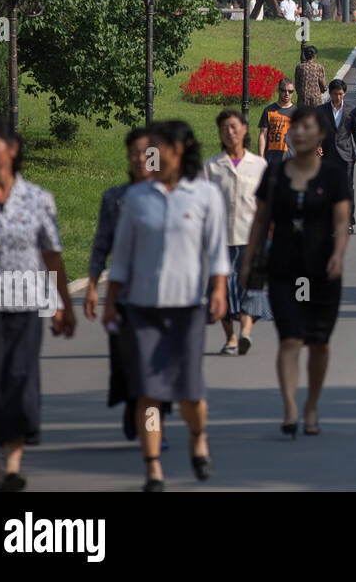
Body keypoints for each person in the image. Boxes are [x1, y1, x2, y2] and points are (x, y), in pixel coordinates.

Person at [105, 120, 229, 492]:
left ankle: (197, 437)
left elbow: (217, 251)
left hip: (187, 307)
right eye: (148, 150)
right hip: (142, 309)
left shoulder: (204, 195)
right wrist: (111, 301)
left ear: (181, 150)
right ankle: (153, 466)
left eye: (158, 149)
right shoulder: (137, 199)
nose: (150, 157)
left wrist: (219, 290)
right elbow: (122, 258)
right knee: (150, 393)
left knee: (190, 393)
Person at [0, 116, 76, 492]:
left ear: (12, 149)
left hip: (22, 307)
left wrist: (63, 305)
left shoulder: (38, 200)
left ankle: (12, 466)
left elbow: (52, 255)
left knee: (18, 382)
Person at [243, 106, 349, 437]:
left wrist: (339, 254)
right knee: (289, 338)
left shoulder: (333, 175)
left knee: (319, 343)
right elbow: (260, 220)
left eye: (308, 127)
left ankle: (311, 406)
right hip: (284, 268)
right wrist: (248, 260)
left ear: (320, 135)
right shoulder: (274, 174)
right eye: (296, 127)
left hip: (322, 270)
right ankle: (290, 407)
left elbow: (342, 219)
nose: (299, 132)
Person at [86, 126, 155, 440]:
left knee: (157, 368)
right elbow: (102, 245)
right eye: (135, 154)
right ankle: (131, 405)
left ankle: (155, 428)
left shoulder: (170, 198)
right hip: (125, 295)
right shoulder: (114, 198)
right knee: (128, 361)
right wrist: (91, 286)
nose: (141, 159)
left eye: (147, 153)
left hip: (163, 297)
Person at [204, 110, 271, 358]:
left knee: (250, 289)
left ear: (244, 129)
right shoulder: (211, 166)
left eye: (234, 127)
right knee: (221, 291)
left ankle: (245, 332)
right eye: (224, 128)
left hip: (251, 239)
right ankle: (230, 336)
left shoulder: (259, 165)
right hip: (220, 240)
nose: (229, 132)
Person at [317, 79, 356, 231]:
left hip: (346, 155)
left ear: (344, 93)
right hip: (327, 156)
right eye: (334, 94)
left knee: (347, 189)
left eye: (340, 94)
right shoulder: (321, 110)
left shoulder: (351, 110)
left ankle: (348, 221)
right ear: (330, 94)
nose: (337, 97)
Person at [258, 80, 297, 164]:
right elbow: (263, 135)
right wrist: (261, 156)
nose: (287, 93)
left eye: (290, 91)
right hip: (271, 158)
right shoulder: (268, 110)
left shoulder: (296, 112)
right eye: (284, 90)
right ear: (278, 90)